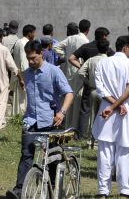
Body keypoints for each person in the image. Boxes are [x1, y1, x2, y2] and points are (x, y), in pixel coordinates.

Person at [8, 40, 74, 199]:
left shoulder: (54, 71)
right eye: (28, 58)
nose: (31, 61)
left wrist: (62, 112)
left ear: (41, 54)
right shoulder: (26, 73)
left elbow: (69, 93)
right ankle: (19, 191)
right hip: (30, 121)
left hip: (51, 121)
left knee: (52, 159)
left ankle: (53, 189)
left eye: (33, 58)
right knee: (26, 156)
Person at [92, 35, 129, 199]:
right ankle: (126, 190)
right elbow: (128, 91)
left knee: (105, 152)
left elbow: (101, 89)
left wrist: (113, 105)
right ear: (126, 47)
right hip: (123, 110)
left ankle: (103, 190)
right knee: (125, 151)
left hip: (108, 109)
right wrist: (118, 105)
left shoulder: (103, 62)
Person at [56, 19, 90, 131]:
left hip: (69, 72)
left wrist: (65, 57)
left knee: (68, 97)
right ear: (88, 30)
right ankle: (74, 126)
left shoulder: (69, 38)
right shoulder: (85, 41)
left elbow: (56, 47)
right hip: (79, 71)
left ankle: (66, 124)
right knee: (77, 100)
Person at [10, 25, 36, 116]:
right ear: (29, 33)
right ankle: (21, 118)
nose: (35, 34)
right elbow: (23, 62)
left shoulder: (18, 42)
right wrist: (23, 78)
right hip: (24, 75)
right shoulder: (25, 43)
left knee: (20, 99)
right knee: (23, 100)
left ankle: (17, 117)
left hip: (19, 74)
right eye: (34, 32)